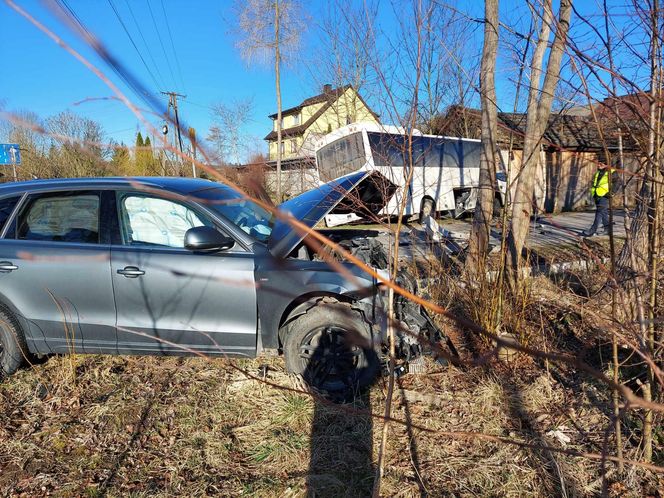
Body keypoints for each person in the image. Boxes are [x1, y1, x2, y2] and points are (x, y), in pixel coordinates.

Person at [581, 163, 621, 237]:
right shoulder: (599, 172)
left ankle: (592, 230)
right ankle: (607, 229)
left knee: (599, 212)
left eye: (600, 164)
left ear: (606, 164)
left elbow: (618, 183)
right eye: (598, 163)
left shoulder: (612, 172)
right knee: (603, 212)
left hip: (604, 195)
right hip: (597, 194)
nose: (598, 165)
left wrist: (611, 193)